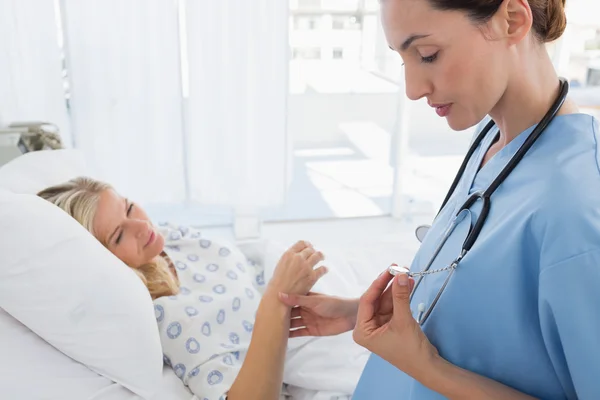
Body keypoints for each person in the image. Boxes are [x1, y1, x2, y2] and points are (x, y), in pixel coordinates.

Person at [278, 0, 600, 399]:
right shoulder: (494, 141)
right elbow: (483, 295)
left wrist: (423, 365)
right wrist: (359, 312)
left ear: (511, 20)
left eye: (427, 54)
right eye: (403, 60)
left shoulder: (578, 206)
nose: (413, 89)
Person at [37, 177, 344, 400]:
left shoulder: (169, 238)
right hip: (302, 340)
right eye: (119, 235)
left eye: (129, 207)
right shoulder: (167, 314)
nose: (142, 227)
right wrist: (278, 299)